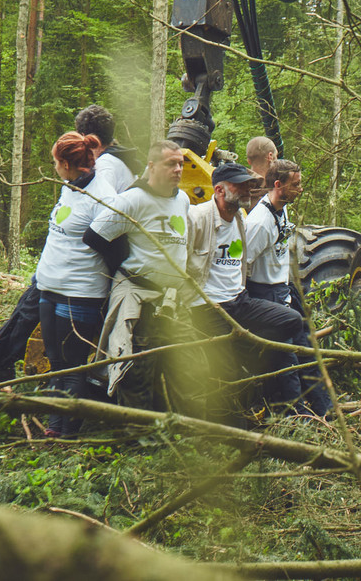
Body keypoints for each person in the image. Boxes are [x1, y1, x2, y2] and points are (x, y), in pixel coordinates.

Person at [0, 105, 120, 383]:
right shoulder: (103, 166)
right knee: (28, 313)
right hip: (59, 269)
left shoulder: (104, 169)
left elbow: (107, 233)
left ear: (83, 138)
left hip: (75, 278)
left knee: (33, 321)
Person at [186, 162, 303, 419]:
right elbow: (179, 261)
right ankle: (228, 429)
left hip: (240, 301)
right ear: (219, 189)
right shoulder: (197, 218)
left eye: (248, 183)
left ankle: (258, 369)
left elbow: (241, 262)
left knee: (292, 320)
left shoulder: (240, 217)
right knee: (226, 372)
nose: (248, 189)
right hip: (209, 308)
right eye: (239, 185)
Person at [83, 140, 191, 410]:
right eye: (171, 164)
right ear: (152, 166)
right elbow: (94, 236)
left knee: (176, 368)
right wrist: (127, 262)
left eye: (181, 163)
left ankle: (171, 428)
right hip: (140, 296)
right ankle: (136, 435)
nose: (178, 169)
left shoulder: (183, 199)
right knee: (137, 370)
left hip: (171, 301)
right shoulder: (133, 199)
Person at [33, 131, 110, 438]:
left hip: (79, 294)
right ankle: (54, 427)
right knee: (55, 362)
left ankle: (68, 433)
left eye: (56, 162)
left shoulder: (103, 198)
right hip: (49, 289)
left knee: (73, 364)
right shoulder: (71, 186)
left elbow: (112, 248)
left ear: (67, 164)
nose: (54, 167)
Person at [245, 159, 332, 416]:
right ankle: (297, 419)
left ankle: (324, 409)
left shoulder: (281, 208)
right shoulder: (259, 222)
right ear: (277, 185)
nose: (301, 189)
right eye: (296, 185)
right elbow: (240, 261)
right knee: (287, 358)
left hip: (284, 290)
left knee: (307, 349)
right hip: (266, 294)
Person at [245, 135, 278, 202]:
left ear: (248, 161)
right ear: (270, 156)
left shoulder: (238, 187)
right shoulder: (274, 193)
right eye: (276, 156)